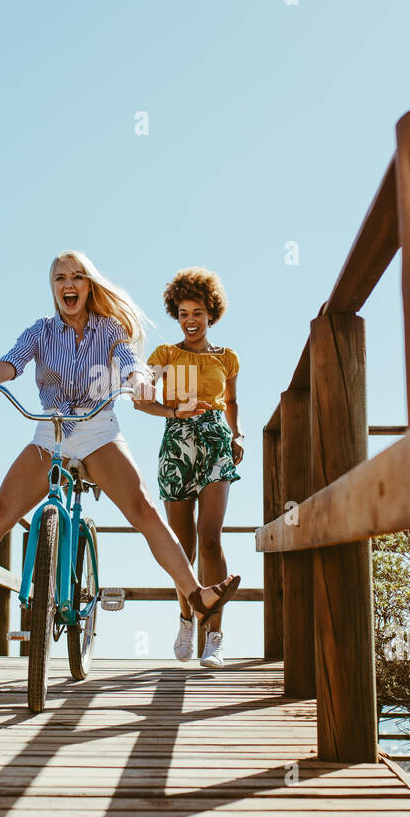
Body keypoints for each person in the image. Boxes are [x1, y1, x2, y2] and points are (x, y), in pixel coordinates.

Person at [0, 251, 240, 638]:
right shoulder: (40, 331)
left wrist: (139, 380)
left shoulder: (109, 328)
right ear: (52, 287)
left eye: (77, 277)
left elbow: (129, 361)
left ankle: (196, 596)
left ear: (90, 286)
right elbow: (14, 360)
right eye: (59, 279)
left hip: (97, 428)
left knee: (143, 508)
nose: (68, 285)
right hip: (51, 428)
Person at [133, 267, 243, 668]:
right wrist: (170, 408)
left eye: (197, 311)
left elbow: (231, 403)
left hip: (215, 441)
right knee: (182, 545)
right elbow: (140, 400)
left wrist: (239, 435)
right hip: (176, 445)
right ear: (175, 316)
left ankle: (214, 634)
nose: (190, 320)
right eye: (182, 313)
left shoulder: (227, 358)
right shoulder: (165, 355)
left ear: (211, 312)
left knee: (210, 537)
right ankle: (186, 617)